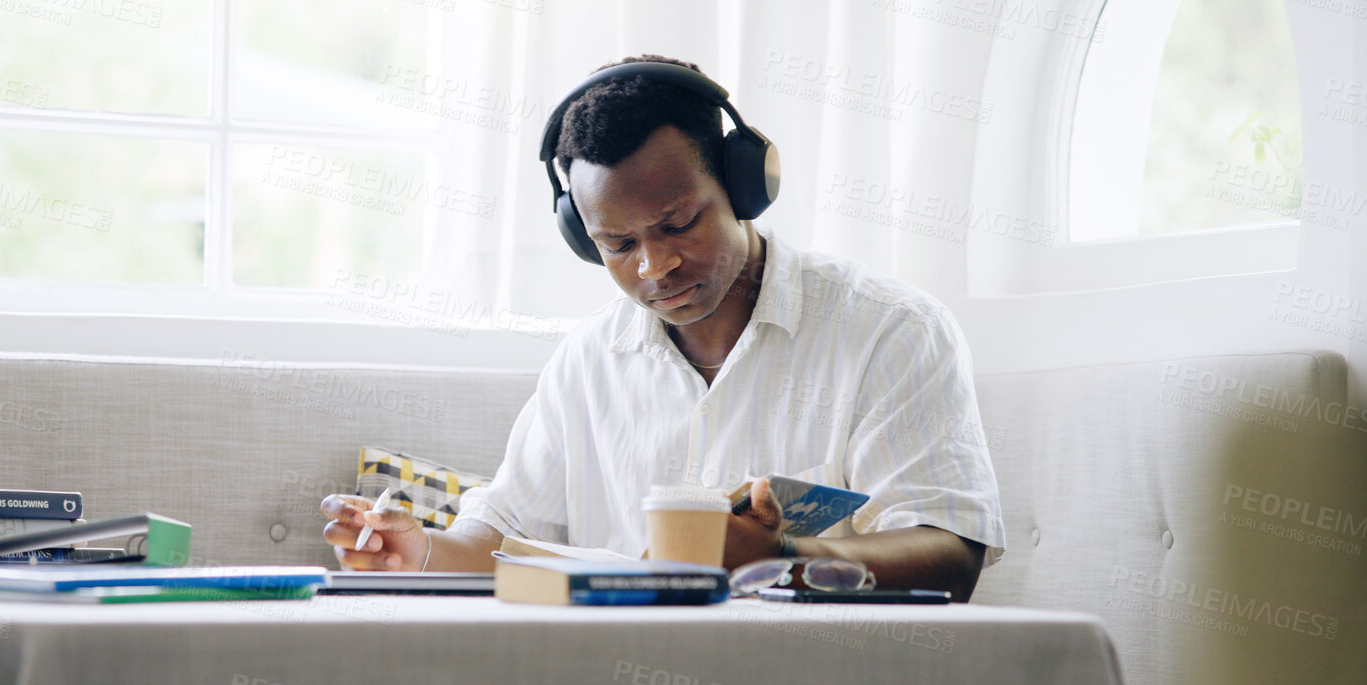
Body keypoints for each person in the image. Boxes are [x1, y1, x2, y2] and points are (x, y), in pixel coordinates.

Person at [321, 55, 1005, 599]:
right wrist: (422, 552)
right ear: (582, 238)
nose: (656, 266)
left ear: (743, 188)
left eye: (678, 224)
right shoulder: (587, 360)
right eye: (617, 245)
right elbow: (499, 537)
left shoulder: (891, 332)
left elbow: (949, 554)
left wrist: (784, 557)